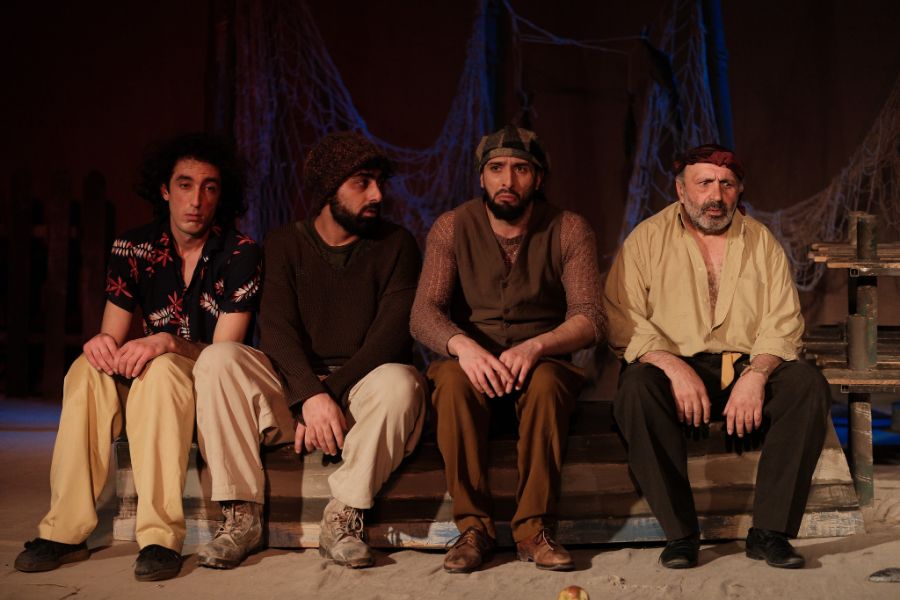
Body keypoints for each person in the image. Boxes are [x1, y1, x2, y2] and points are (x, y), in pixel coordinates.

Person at [14, 133, 263, 581]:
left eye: (209, 187)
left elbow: (224, 353)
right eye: (185, 185)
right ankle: (64, 531)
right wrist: (100, 344)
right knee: (86, 370)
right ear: (165, 190)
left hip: (206, 385)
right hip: (147, 381)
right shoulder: (133, 248)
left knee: (164, 369)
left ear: (220, 195)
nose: (196, 200)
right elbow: (111, 334)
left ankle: (160, 539)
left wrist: (167, 342)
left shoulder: (240, 253)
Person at [604, 143, 830, 570]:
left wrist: (757, 374)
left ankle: (770, 533)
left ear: (739, 190)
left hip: (742, 368)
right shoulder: (647, 239)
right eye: (704, 182)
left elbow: (783, 321)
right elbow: (622, 317)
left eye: (726, 184)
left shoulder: (761, 242)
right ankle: (681, 534)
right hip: (672, 369)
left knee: (807, 385)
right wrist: (672, 366)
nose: (716, 195)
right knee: (635, 389)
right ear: (681, 190)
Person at [211, 130, 425, 569]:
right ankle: (241, 515)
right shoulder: (283, 243)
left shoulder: (397, 244)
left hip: (360, 390)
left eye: (379, 182)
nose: (378, 194)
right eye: (362, 182)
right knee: (220, 359)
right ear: (329, 189)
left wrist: (325, 395)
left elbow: (391, 338)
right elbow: (276, 331)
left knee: (402, 382)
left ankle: (343, 517)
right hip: (294, 387)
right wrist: (307, 395)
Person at [411, 125, 606, 573]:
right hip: (472, 364)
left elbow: (591, 316)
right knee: (452, 382)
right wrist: (464, 347)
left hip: (542, 363)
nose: (508, 180)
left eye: (521, 169)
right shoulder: (452, 227)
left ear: (538, 178)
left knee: (548, 383)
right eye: (496, 168)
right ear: (481, 177)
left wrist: (537, 346)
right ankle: (473, 529)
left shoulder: (568, 228)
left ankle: (533, 531)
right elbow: (424, 312)